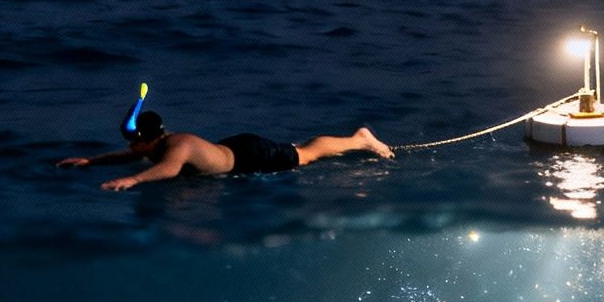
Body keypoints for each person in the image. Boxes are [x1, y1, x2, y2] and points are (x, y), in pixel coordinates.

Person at [58, 108, 394, 190]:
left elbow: (169, 170)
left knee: (306, 154)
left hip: (248, 156)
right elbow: (129, 155)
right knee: (298, 149)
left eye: (136, 142)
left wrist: (132, 181)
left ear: (151, 137)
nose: (131, 147)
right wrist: (91, 161)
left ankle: (359, 139)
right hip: (234, 150)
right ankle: (355, 139)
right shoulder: (157, 145)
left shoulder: (180, 145)